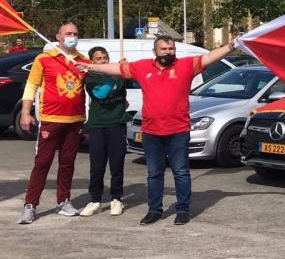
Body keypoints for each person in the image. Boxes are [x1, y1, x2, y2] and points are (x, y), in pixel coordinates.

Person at [84, 35, 234, 226]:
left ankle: (182, 210)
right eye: (163, 49)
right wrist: (90, 66)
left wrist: (231, 45)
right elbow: (115, 69)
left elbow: (210, 57)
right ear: (155, 51)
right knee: (154, 174)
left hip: (178, 131)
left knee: (181, 172)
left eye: (171, 49)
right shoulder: (142, 67)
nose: (168, 52)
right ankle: (154, 210)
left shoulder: (186, 65)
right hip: (151, 132)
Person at [17, 23, 89, 225]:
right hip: (50, 119)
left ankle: (63, 201)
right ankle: (30, 205)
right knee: (42, 163)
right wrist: (25, 113)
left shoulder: (84, 61)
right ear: (58, 37)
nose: (72, 36)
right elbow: (31, 86)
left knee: (67, 163)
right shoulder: (44, 59)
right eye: (68, 33)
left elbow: (96, 84)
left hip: (75, 120)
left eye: (75, 33)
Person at [80, 46, 127, 218]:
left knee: (117, 165)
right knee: (97, 165)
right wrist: (114, 76)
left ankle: (116, 198)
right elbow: (100, 94)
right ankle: (95, 200)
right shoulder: (91, 77)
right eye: (98, 58)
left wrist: (126, 69)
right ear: (92, 61)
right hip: (98, 125)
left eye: (105, 57)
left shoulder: (118, 73)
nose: (103, 61)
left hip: (117, 124)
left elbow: (132, 85)